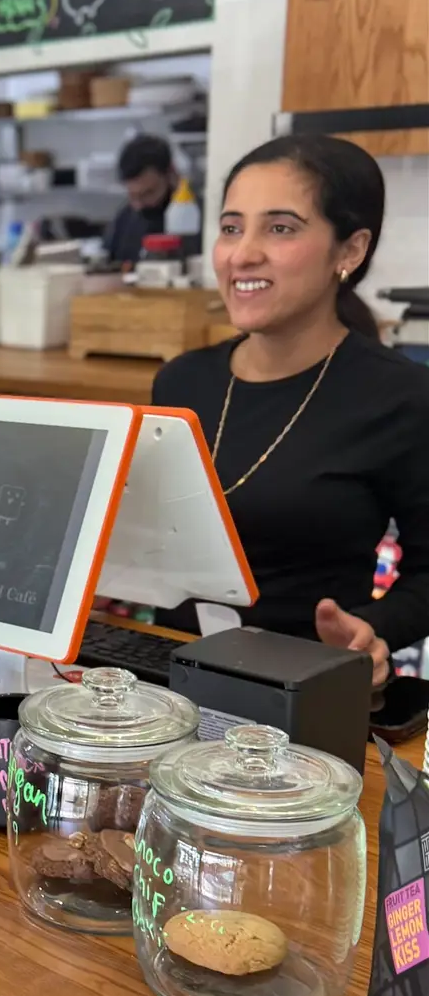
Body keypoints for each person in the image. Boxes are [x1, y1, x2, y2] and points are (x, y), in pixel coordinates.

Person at [153, 133, 429, 685]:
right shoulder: (181, 380)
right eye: (231, 227)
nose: (242, 253)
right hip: (161, 686)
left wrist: (373, 631)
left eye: (280, 228)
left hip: (303, 695)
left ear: (350, 250)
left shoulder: (400, 396)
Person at [102, 133, 197, 266]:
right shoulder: (124, 219)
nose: (138, 205)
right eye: (133, 195)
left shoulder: (195, 217)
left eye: (148, 193)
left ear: (171, 174)